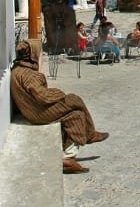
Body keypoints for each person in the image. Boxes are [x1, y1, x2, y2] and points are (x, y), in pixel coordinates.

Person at [11, 39, 109, 174]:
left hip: (32, 110)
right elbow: (43, 96)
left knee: (76, 115)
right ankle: (90, 135)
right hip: (38, 113)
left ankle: (69, 157)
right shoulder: (30, 76)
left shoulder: (18, 70)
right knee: (74, 100)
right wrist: (59, 93)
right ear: (33, 55)